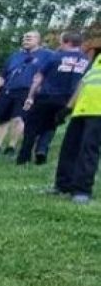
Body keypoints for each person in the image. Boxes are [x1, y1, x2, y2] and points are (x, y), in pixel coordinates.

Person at [18, 31, 90, 165]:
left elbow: (39, 77)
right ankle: (42, 150)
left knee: (31, 126)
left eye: (61, 41)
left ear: (67, 42)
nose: (59, 43)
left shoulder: (55, 57)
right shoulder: (86, 61)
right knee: (51, 125)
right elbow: (84, 82)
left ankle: (24, 157)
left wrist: (30, 96)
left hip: (47, 96)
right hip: (67, 99)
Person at [0, 31, 51, 157]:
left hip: (26, 91)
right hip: (8, 90)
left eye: (29, 38)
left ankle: (11, 147)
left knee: (19, 118)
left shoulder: (46, 55)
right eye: (24, 38)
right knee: (2, 119)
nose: (25, 40)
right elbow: (3, 75)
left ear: (38, 40)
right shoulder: (15, 56)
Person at [50, 56, 101, 204]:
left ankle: (82, 190)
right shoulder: (98, 59)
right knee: (69, 149)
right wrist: (68, 108)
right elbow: (83, 83)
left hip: (98, 112)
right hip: (81, 110)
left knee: (88, 150)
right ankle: (62, 185)